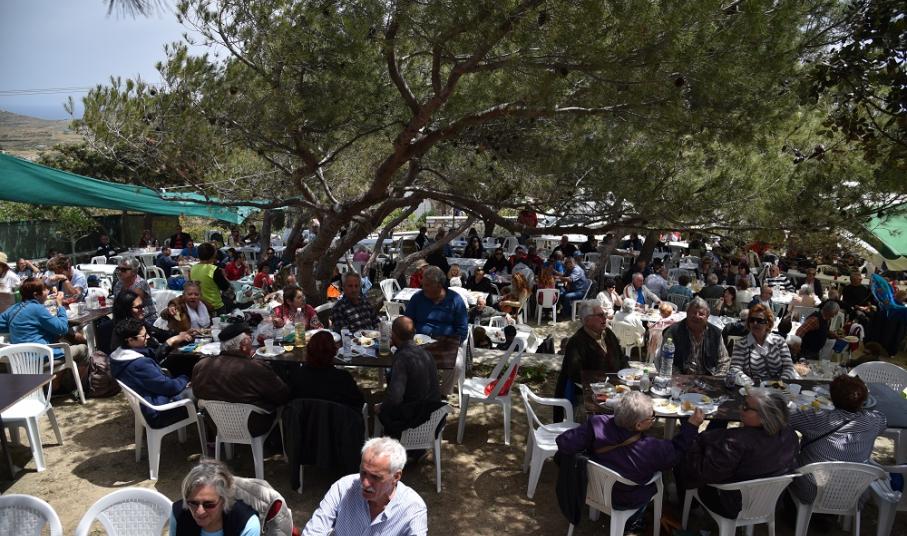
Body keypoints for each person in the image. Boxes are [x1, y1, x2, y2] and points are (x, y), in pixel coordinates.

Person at [557, 393, 703, 533]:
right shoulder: (651, 449)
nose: (653, 419)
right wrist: (691, 426)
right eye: (652, 417)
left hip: (591, 488)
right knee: (654, 484)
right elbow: (677, 452)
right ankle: (633, 521)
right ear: (638, 425)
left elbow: (563, 442)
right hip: (624, 499)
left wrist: (589, 445)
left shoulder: (596, 423)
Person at [679, 390, 797, 519]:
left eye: (746, 407)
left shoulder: (735, 442)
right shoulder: (790, 435)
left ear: (764, 417)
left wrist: (691, 434)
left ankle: (691, 507)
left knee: (681, 458)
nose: (741, 408)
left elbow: (702, 472)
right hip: (770, 501)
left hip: (732, 504)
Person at [788, 375, 887, 503]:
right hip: (854, 494)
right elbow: (882, 419)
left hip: (812, 492)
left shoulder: (818, 418)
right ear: (863, 400)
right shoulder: (874, 421)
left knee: (788, 453)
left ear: (832, 397)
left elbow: (787, 417)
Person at [302, 437, 427, 536]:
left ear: (396, 477)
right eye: (363, 473)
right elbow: (314, 530)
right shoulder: (343, 488)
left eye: (375, 477)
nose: (365, 483)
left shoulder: (413, 508)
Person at [192, 323, 290, 436]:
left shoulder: (201, 365)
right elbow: (283, 396)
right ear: (243, 345)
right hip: (253, 426)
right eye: (250, 338)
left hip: (216, 425)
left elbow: (197, 393)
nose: (252, 342)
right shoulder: (255, 368)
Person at [109, 318, 194, 428]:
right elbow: (170, 387)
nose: (148, 337)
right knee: (204, 391)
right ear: (130, 340)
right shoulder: (138, 364)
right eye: (144, 336)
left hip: (150, 403)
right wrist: (186, 378)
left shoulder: (119, 357)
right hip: (159, 412)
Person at [375, 316, 442, 434]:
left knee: (383, 410)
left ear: (393, 335)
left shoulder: (402, 358)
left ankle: (389, 440)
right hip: (434, 415)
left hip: (414, 420)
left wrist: (382, 407)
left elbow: (395, 398)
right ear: (414, 333)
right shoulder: (427, 353)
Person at [554, 303, 626, 410]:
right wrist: (602, 386)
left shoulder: (608, 334)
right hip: (590, 394)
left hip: (616, 389)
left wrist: (626, 376)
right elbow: (576, 374)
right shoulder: (577, 342)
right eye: (600, 315)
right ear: (587, 320)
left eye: (605, 314)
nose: (605, 318)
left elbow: (621, 357)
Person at [0, 277, 89, 364]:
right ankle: (80, 373)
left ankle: (67, 372)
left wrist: (17, 327)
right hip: (41, 358)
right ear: (36, 295)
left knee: (64, 337)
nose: (48, 292)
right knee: (83, 349)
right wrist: (60, 305)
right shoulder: (37, 309)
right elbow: (63, 328)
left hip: (20, 359)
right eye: (45, 290)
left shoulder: (13, 309)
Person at [171, 460, 261, 536]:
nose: (199, 511)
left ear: (224, 500)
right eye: (193, 503)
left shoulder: (246, 524)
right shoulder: (178, 514)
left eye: (209, 504)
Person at [289, 330, 365, 408]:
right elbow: (359, 402)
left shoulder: (298, 375)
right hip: (336, 416)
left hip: (305, 415)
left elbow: (291, 402)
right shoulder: (343, 377)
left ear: (308, 351)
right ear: (334, 352)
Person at [662, 297, 730, 376]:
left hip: (708, 378)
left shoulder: (715, 333)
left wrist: (716, 378)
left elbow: (724, 361)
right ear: (687, 313)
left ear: (707, 316)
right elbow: (665, 360)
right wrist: (679, 377)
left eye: (701, 314)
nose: (696, 316)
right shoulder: (674, 331)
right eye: (693, 313)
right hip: (680, 378)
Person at [728, 303, 795, 382]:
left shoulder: (779, 341)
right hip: (751, 386)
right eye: (752, 320)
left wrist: (780, 383)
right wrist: (749, 384)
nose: (755, 323)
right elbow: (735, 369)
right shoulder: (741, 344)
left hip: (778, 386)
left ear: (768, 323)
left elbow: (788, 367)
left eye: (759, 320)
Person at [404, 266, 468, 342]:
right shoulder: (417, 297)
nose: (423, 288)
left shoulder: (455, 300)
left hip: (446, 344)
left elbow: (462, 329)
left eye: (427, 285)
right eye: (423, 284)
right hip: (419, 343)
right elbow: (407, 321)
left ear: (439, 286)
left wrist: (451, 343)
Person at [190, 242, 232, 314]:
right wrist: (224, 276)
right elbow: (225, 287)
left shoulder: (192, 268)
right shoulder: (214, 270)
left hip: (200, 306)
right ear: (213, 255)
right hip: (215, 307)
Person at [113, 257, 157, 322]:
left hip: (145, 318)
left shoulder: (141, 284)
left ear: (134, 271)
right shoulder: (118, 284)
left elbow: (133, 305)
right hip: (127, 318)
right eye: (118, 269)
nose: (119, 272)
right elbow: (117, 304)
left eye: (123, 270)